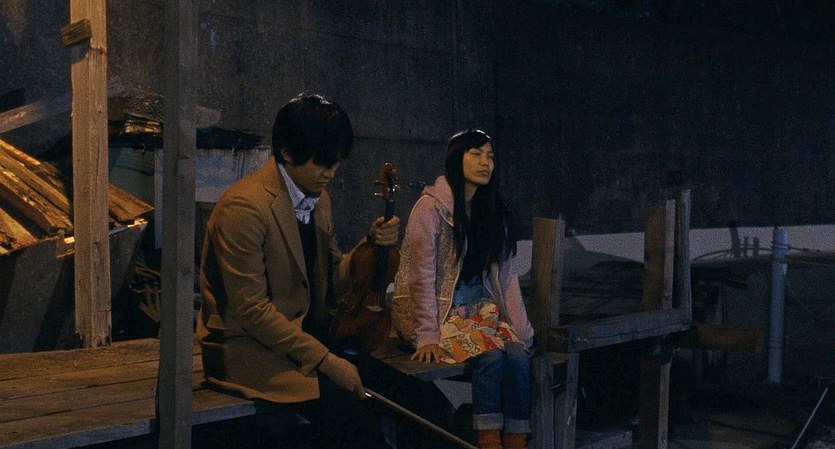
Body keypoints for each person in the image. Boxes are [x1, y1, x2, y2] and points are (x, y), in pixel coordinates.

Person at [196, 93, 399, 449]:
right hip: (250, 351)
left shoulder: (318, 199)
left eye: (336, 162)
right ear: (288, 152)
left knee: (413, 395)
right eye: (322, 161)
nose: (330, 172)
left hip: (305, 341)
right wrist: (327, 362)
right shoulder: (244, 207)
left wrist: (369, 246)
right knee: (355, 424)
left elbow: (332, 282)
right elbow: (251, 311)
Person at [391, 129, 534, 449]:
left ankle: (517, 438)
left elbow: (507, 278)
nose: (486, 163)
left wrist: (523, 332)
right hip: (435, 314)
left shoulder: (493, 212)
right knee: (491, 356)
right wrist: (426, 335)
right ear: (456, 159)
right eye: (476, 154)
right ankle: (488, 440)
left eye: (491, 157)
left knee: (517, 355)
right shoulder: (430, 208)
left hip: (477, 312)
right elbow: (420, 276)